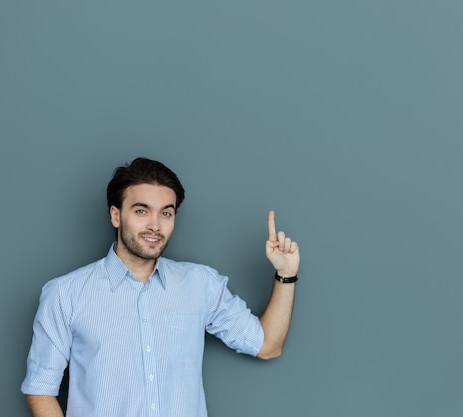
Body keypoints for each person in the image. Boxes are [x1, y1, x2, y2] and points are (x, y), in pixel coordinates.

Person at [21, 157, 300, 417]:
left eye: (166, 213)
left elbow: (267, 345)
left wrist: (286, 274)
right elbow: (40, 388)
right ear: (116, 216)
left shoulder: (200, 285)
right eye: (141, 210)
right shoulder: (65, 294)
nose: (155, 225)